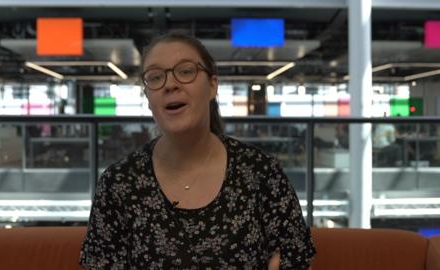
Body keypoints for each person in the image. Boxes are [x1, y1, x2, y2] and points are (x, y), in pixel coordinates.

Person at [79, 33, 315, 269]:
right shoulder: (119, 183)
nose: (170, 84)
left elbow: (294, 257)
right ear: (148, 98)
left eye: (185, 71)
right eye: (155, 76)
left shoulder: (261, 173)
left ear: (213, 85)